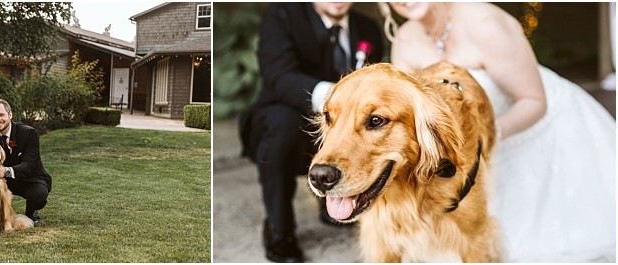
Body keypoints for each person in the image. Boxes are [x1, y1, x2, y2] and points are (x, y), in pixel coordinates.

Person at [381, 2, 616, 262]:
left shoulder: (487, 26)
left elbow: (534, 100)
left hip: (536, 126)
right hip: (468, 148)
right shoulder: (405, 40)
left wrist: (484, 137)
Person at [238, 3, 384, 262]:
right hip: (286, 118)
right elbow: (278, 76)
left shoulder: (367, 27)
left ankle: (339, 198)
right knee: (282, 127)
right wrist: (338, 98)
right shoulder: (282, 16)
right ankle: (279, 229)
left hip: (345, 128)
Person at [0, 99, 51, 224]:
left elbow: (29, 165)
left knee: (39, 195)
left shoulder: (28, 133)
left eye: (1, 115)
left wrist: (6, 171)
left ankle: (31, 212)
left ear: (10, 115)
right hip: (4, 180)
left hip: (29, 178)